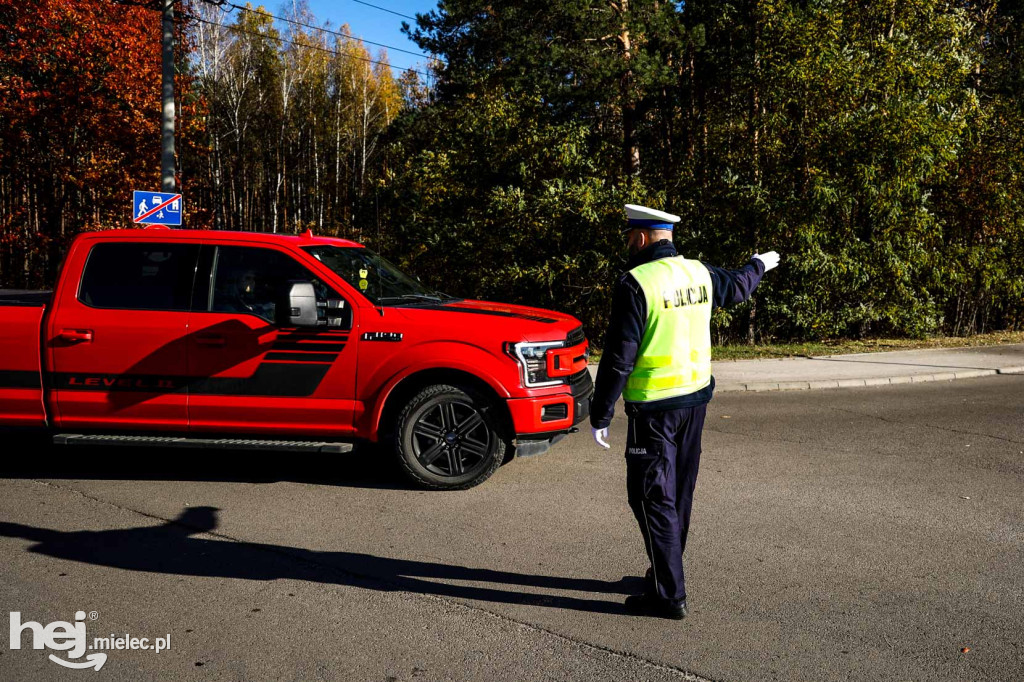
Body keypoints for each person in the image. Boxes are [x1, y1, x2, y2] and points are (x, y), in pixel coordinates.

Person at [590, 204, 780, 620]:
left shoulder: (635, 282)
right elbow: (740, 286)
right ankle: (665, 570)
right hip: (694, 402)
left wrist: (601, 412)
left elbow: (619, 358)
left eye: (629, 237)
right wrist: (758, 264)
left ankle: (668, 595)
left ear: (641, 238)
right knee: (677, 493)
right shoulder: (699, 272)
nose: (627, 243)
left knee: (651, 498)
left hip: (653, 410)